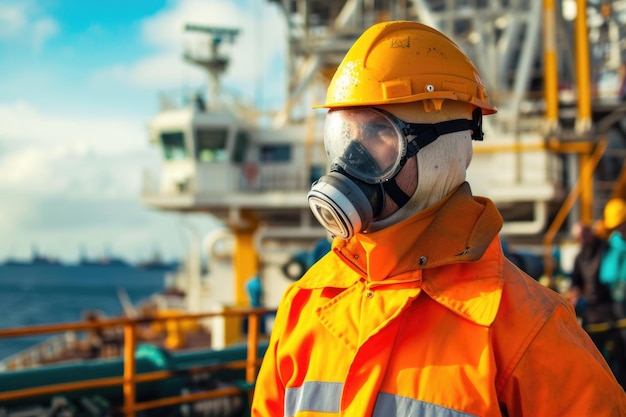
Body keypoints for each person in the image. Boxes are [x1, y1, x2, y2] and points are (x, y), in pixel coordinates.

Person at [251, 21, 626, 416]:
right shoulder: (305, 305)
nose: (351, 157)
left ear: (442, 151)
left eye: (379, 133)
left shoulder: (528, 330)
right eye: (345, 134)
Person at [570, 220, 626, 386]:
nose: (582, 239)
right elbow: (576, 285)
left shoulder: (606, 249)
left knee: (620, 353)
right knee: (593, 353)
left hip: (613, 308)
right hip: (592, 311)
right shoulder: (580, 258)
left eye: (584, 234)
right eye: (578, 237)